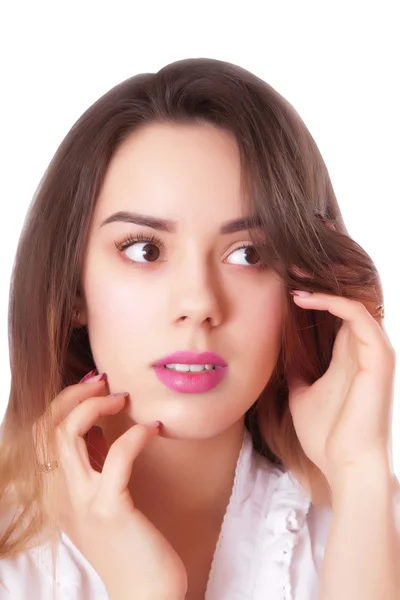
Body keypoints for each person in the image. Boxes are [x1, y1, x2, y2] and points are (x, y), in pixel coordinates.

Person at [0, 57, 398, 600]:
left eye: (249, 252)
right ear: (73, 291)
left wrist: (361, 476)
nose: (199, 304)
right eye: (144, 250)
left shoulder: (367, 526)